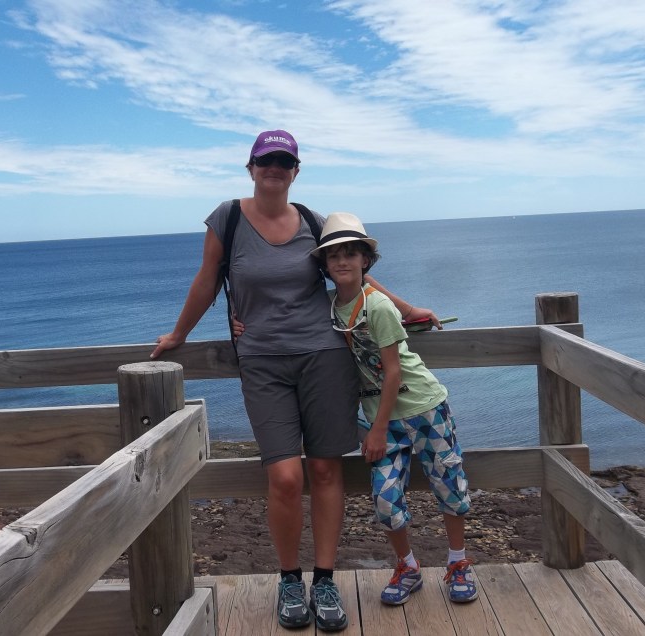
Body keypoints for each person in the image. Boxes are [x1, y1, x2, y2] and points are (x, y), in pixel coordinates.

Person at [151, 130, 360, 631]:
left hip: (325, 356)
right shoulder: (227, 218)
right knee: (285, 476)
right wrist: (180, 334)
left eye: (284, 161)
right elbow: (207, 279)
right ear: (250, 168)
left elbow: (350, 274)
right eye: (266, 159)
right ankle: (289, 579)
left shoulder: (313, 222)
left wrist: (406, 308)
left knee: (326, 471)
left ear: (295, 171)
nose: (274, 168)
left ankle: (324, 580)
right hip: (263, 363)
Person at [310, 212, 478, 606]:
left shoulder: (379, 308)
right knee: (386, 499)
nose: (342, 261)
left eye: (351, 253)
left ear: (365, 260)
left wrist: (377, 430)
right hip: (380, 417)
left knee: (449, 483)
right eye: (333, 255)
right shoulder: (329, 306)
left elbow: (393, 372)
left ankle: (458, 562)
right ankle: (408, 566)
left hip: (423, 407)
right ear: (325, 265)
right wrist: (241, 323)